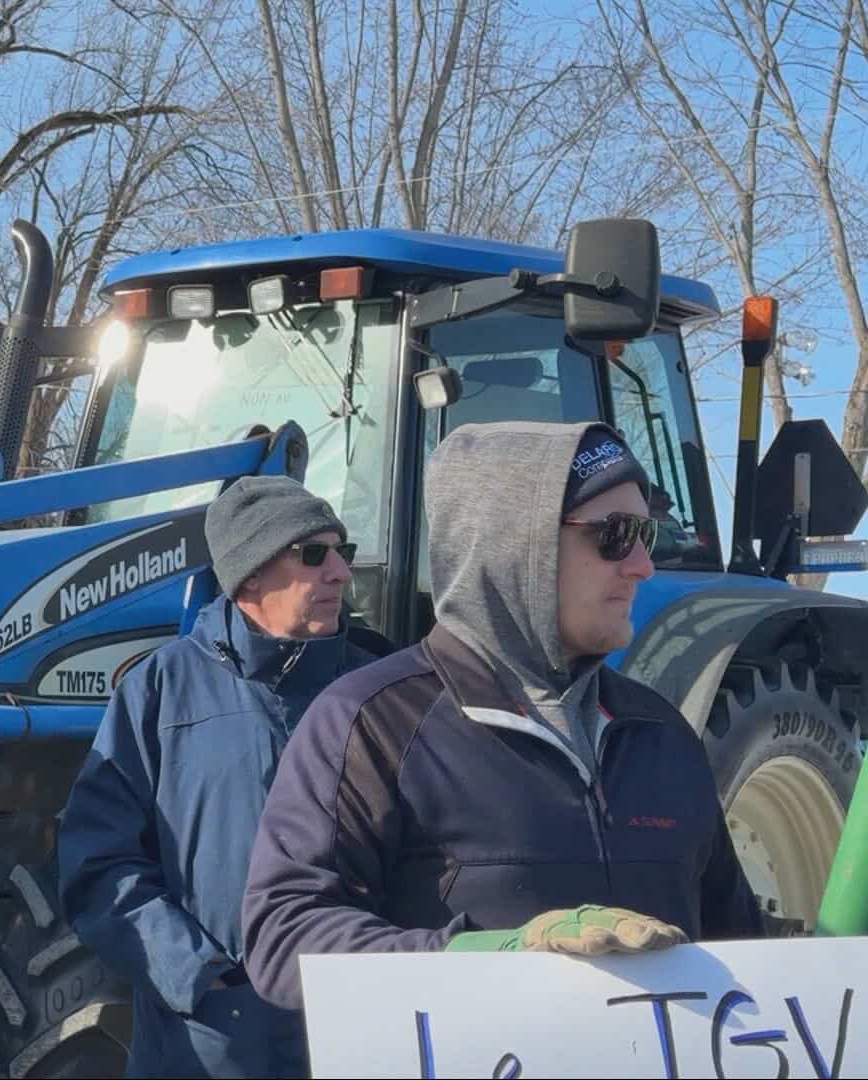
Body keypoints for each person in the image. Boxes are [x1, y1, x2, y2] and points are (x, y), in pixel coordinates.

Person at [240, 421, 762, 1012]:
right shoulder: (371, 723)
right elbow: (284, 935)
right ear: (514, 544)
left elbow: (741, 947)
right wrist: (483, 956)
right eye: (616, 535)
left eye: (648, 534)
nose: (643, 565)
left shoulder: (661, 733)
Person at [56, 475, 376, 1078]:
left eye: (343, 552)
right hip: (208, 1047)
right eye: (314, 554)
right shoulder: (158, 692)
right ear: (250, 574)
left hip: (364, 1034)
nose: (339, 572)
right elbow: (98, 865)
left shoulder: (382, 691)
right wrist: (201, 976)